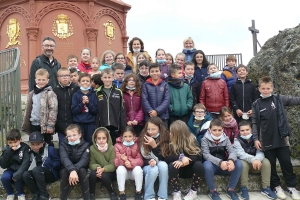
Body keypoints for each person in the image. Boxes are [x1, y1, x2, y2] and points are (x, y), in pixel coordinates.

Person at [252, 76, 300, 200]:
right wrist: (256, 139)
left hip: (282, 138)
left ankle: (291, 187)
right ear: (259, 89)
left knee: (286, 163)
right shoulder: (256, 104)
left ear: (272, 88)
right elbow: (255, 123)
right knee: (271, 165)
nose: (266, 90)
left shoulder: (279, 98)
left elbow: (295, 100)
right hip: (266, 140)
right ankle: (277, 186)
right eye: (263, 88)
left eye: (268, 88)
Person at [234, 120, 277, 200]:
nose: (245, 132)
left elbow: (260, 152)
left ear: (251, 130)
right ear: (239, 131)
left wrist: (256, 159)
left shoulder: (256, 139)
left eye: (247, 130)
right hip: (245, 165)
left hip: (256, 164)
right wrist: (253, 159)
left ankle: (266, 188)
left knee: (266, 162)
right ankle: (243, 188)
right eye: (242, 130)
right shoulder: (237, 140)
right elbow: (240, 154)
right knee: (242, 163)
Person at [202, 119, 243, 200]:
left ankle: (231, 189)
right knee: (206, 165)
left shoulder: (226, 138)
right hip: (213, 167)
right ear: (209, 130)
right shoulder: (205, 139)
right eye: (214, 130)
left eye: (219, 130)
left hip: (224, 165)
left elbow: (232, 151)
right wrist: (220, 162)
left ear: (223, 130)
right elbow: (206, 155)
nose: (217, 132)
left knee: (238, 163)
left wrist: (231, 160)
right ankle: (213, 191)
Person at [165, 120, 204, 200]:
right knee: (172, 165)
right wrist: (181, 157)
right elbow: (165, 158)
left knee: (199, 164)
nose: (170, 134)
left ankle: (193, 191)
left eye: (172, 132)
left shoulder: (192, 138)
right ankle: (176, 192)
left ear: (178, 133)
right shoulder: (169, 141)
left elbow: (199, 155)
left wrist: (187, 161)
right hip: (177, 171)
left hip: (190, 169)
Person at [22, 68, 58, 145]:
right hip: (34, 123)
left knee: (46, 143)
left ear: (47, 80)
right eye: (39, 79)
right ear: (35, 80)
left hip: (45, 125)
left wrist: (50, 125)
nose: (41, 82)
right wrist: (27, 127)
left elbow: (53, 110)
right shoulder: (32, 93)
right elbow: (28, 110)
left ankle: (48, 156)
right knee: (35, 142)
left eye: (43, 80)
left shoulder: (50, 93)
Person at [138, 117, 169, 200]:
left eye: (153, 129)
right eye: (148, 129)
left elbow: (164, 157)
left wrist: (154, 146)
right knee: (153, 169)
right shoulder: (142, 137)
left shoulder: (165, 137)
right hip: (147, 165)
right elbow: (140, 158)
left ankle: (163, 195)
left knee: (163, 165)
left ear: (160, 128)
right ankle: (149, 196)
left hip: (159, 162)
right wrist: (149, 161)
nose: (150, 132)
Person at [23, 131, 60, 200]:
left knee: (37, 170)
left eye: (38, 144)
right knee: (25, 174)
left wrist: (49, 162)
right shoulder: (30, 152)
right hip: (37, 173)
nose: (35, 147)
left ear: (43, 143)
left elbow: (58, 164)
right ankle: (36, 193)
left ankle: (45, 195)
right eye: (33, 144)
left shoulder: (50, 149)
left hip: (50, 173)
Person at [95, 68, 126, 145]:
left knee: (115, 146)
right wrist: (97, 126)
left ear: (113, 78)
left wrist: (122, 126)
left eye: (109, 77)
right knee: (104, 146)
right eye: (105, 77)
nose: (107, 79)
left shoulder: (118, 92)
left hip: (115, 125)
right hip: (102, 124)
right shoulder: (97, 92)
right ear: (101, 78)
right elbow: (96, 111)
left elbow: (122, 110)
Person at [59, 124, 90, 200]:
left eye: (74, 135)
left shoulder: (86, 145)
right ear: (66, 136)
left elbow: (84, 160)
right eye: (69, 136)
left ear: (80, 135)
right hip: (66, 168)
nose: (72, 138)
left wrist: (74, 170)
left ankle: (87, 198)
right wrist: (72, 170)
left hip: (80, 168)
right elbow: (64, 158)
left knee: (82, 170)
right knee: (65, 172)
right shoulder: (63, 145)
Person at [114, 126, 144, 200]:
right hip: (124, 173)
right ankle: (122, 193)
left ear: (134, 136)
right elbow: (115, 162)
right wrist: (123, 161)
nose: (128, 139)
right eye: (125, 136)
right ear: (122, 137)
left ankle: (138, 192)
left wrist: (131, 162)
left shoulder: (138, 144)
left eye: (130, 136)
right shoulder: (117, 145)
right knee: (120, 168)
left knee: (138, 169)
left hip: (134, 173)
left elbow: (141, 160)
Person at [0, 129, 30, 200]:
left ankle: (20, 194)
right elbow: (3, 165)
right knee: (4, 178)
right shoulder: (6, 150)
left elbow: (26, 162)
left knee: (17, 176)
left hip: (21, 170)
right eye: (10, 143)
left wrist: (18, 173)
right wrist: (9, 152)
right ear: (7, 142)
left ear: (20, 140)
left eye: (15, 142)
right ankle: (10, 194)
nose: (13, 145)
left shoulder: (25, 148)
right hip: (10, 170)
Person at [89, 127, 118, 200]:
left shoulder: (111, 148)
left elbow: (113, 165)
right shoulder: (92, 148)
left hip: (109, 173)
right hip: (98, 171)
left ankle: (112, 192)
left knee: (104, 175)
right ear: (95, 139)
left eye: (104, 138)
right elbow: (91, 163)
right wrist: (97, 167)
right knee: (92, 174)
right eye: (99, 138)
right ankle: (92, 193)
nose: (101, 140)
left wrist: (103, 169)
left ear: (107, 139)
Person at [53, 68, 79, 143]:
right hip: (60, 125)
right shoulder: (55, 90)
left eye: (67, 75)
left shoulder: (76, 88)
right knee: (63, 146)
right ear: (58, 78)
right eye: (62, 76)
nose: (65, 77)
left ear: (70, 77)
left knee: (74, 144)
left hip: (73, 123)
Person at [142, 63, 170, 129]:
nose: (154, 73)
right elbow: (144, 100)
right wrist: (151, 111)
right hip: (149, 116)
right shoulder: (145, 85)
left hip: (163, 116)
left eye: (157, 71)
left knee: (163, 137)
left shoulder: (165, 85)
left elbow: (167, 100)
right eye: (152, 71)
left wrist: (157, 111)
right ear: (149, 73)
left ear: (160, 72)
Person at [72, 73, 97, 145]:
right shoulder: (75, 95)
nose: (85, 82)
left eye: (87, 81)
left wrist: (88, 103)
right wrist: (82, 103)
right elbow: (74, 111)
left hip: (90, 123)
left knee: (90, 143)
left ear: (90, 83)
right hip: (79, 123)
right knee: (79, 143)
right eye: (83, 81)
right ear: (79, 83)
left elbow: (95, 110)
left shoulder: (93, 95)